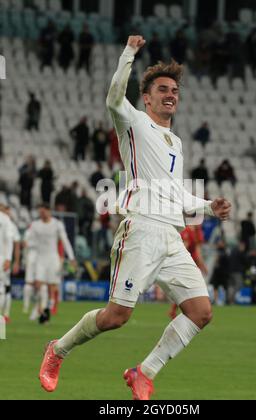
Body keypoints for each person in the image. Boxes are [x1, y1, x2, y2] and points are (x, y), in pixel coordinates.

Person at [39, 35, 231, 400]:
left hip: (171, 237)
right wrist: (128, 54)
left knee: (201, 311)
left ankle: (144, 371)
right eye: (162, 89)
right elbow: (113, 97)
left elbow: (176, 195)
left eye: (175, 89)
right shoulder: (134, 123)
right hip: (141, 229)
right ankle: (57, 350)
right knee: (115, 317)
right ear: (147, 97)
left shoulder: (176, 143)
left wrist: (208, 207)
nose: (170, 94)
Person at [28, 204, 76, 323]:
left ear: (49, 212)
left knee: (52, 287)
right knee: (39, 285)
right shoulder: (35, 225)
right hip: (40, 258)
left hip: (52, 258)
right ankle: (38, 307)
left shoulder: (57, 224)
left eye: (44, 212)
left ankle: (47, 310)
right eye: (40, 212)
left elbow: (65, 241)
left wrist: (71, 257)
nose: (42, 214)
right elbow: (30, 241)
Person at [0, 205, 21, 323]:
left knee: (4, 288)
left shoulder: (10, 224)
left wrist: (15, 261)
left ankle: (5, 314)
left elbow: (15, 244)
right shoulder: (7, 221)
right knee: (3, 288)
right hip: (3, 259)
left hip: (3, 259)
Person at [0, 210, 14, 322]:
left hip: (1, 258)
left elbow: (10, 240)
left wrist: (8, 258)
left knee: (1, 289)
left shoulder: (4, 219)